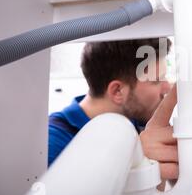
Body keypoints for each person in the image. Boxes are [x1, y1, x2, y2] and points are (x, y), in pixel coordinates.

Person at [48, 38, 179, 181]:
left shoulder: (134, 121)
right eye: (156, 80)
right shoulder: (52, 145)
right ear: (117, 91)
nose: (168, 87)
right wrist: (134, 165)